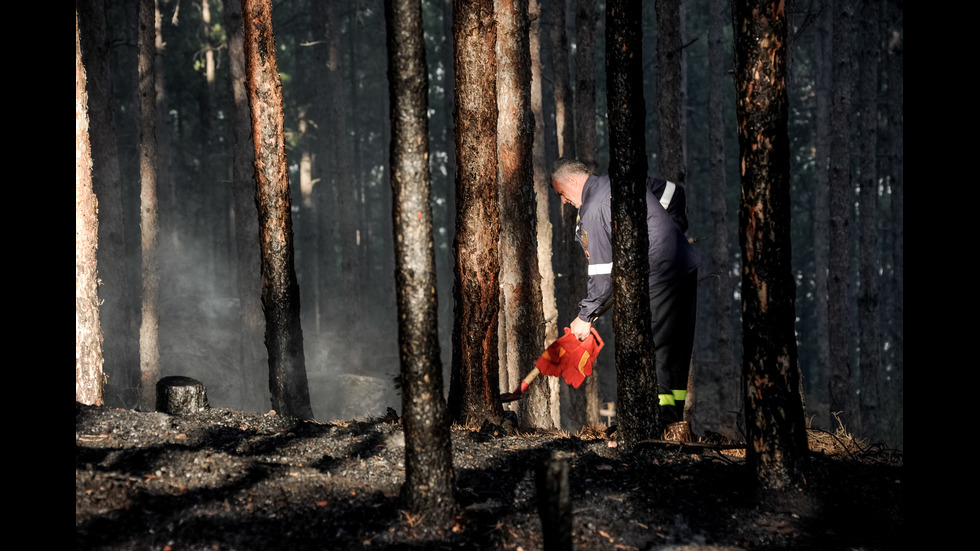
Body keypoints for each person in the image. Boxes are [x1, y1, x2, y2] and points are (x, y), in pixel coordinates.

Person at [551, 158, 700, 427]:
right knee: (677, 349)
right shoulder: (620, 183)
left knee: (657, 349)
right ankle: (673, 420)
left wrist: (585, 316)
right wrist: (673, 231)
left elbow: (600, 273)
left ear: (572, 181)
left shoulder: (593, 210)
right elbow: (673, 193)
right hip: (685, 269)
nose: (562, 201)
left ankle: (660, 424)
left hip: (659, 278)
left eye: (560, 193)